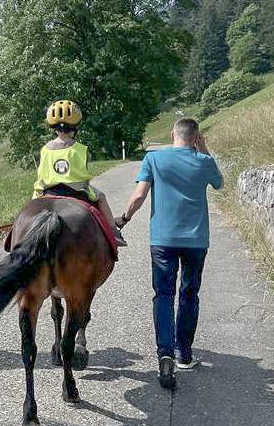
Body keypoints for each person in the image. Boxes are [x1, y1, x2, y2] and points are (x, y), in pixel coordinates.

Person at [116, 117, 223, 390]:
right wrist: (205, 150)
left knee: (163, 295)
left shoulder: (154, 159)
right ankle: (184, 354)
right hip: (196, 241)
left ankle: (164, 354)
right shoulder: (204, 161)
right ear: (196, 136)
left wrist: (124, 218)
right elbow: (219, 183)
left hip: (163, 240)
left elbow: (139, 196)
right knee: (189, 293)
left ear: (172, 133)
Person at [33, 100, 127, 246]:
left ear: (54, 128)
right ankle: (114, 232)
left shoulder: (45, 149)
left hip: (48, 192)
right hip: (75, 191)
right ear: (75, 127)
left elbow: (42, 175)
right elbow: (82, 174)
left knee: (30, 211)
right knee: (101, 197)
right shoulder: (82, 149)